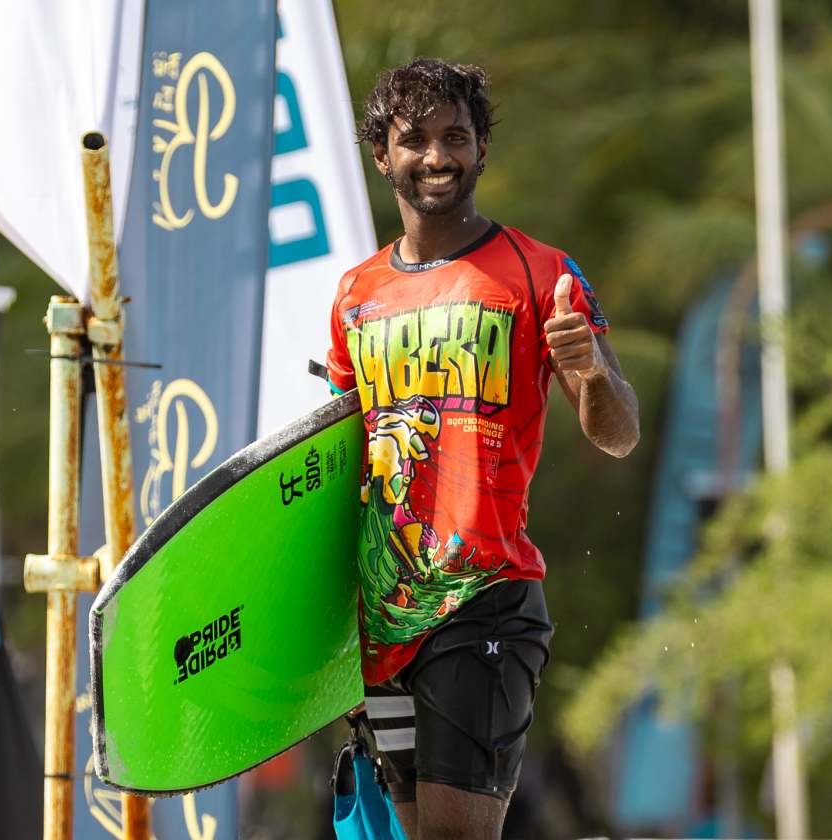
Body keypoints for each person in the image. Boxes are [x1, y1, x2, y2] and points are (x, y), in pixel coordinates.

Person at [325, 58, 640, 839]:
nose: (437, 157)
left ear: (482, 147)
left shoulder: (542, 274)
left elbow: (619, 433)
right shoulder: (356, 293)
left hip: (484, 597)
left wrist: (589, 372)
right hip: (384, 615)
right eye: (415, 140)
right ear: (382, 155)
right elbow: (341, 458)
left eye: (456, 137)